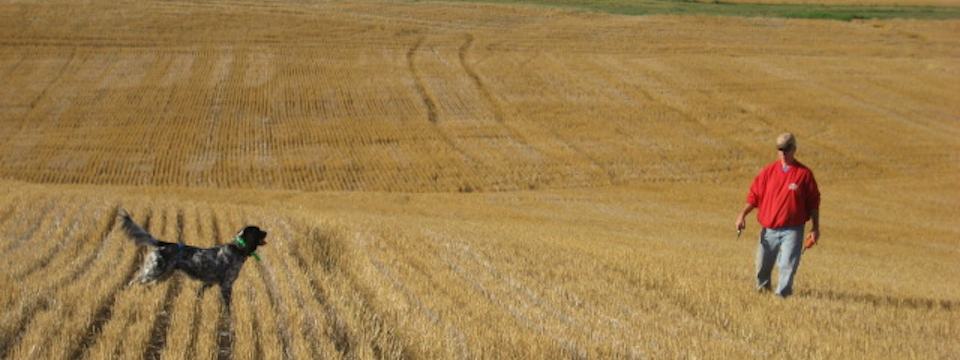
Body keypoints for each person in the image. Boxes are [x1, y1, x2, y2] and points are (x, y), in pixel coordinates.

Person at [735, 133, 820, 297]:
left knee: (787, 265)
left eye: (786, 149)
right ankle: (762, 293)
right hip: (769, 229)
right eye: (780, 149)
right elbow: (754, 196)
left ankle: (782, 297)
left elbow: (814, 203)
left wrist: (815, 228)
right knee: (762, 266)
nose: (783, 153)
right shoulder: (768, 172)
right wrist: (742, 215)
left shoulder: (804, 175)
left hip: (793, 230)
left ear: (794, 149)